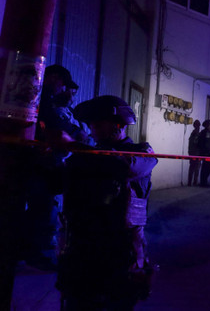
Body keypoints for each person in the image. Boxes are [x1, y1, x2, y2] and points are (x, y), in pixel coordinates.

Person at [57, 95, 158, 310]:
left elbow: (124, 167)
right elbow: (56, 183)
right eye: (91, 124)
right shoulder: (83, 157)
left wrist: (75, 146)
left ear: (118, 125)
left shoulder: (141, 154)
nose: (92, 129)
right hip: (81, 251)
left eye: (98, 123)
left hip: (120, 253)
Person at [24, 64, 90, 270]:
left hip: (41, 165)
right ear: (53, 78)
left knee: (42, 209)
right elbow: (57, 133)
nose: (64, 90)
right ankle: (37, 255)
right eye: (63, 85)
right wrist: (79, 145)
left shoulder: (46, 103)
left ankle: (26, 250)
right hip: (39, 166)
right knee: (43, 210)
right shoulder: (42, 103)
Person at [187, 119, 202, 186]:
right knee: (196, 168)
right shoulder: (196, 134)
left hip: (192, 153)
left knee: (192, 168)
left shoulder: (192, 134)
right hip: (196, 153)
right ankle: (194, 182)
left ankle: (190, 182)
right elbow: (196, 143)